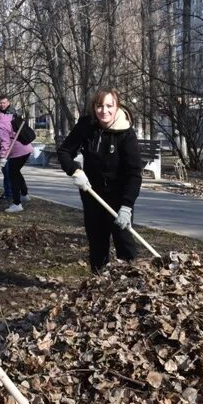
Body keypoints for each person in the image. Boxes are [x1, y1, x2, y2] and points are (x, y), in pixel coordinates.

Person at [57, 89, 142, 272]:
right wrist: (75, 171)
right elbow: (64, 152)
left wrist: (126, 207)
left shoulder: (126, 134)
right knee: (97, 242)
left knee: (125, 242)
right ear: (94, 107)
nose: (104, 111)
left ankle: (132, 286)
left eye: (109, 106)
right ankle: (98, 285)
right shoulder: (87, 126)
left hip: (119, 197)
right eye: (99, 106)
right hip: (92, 194)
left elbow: (134, 173)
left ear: (117, 107)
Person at [0, 108, 31, 213]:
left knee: (12, 175)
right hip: (26, 148)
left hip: (19, 151)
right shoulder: (7, 117)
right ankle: (24, 194)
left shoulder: (0, 126)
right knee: (16, 172)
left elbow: (5, 144)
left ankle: (17, 204)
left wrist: (3, 158)